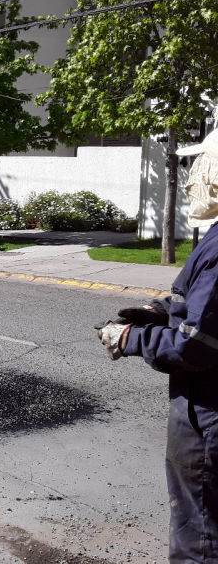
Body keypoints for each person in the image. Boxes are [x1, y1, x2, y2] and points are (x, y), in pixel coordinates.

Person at [98, 129, 218, 563]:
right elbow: (200, 305)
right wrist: (159, 310)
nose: (192, 177)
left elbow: (195, 347)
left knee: (200, 531)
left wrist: (129, 337)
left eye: (200, 165)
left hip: (209, 415)